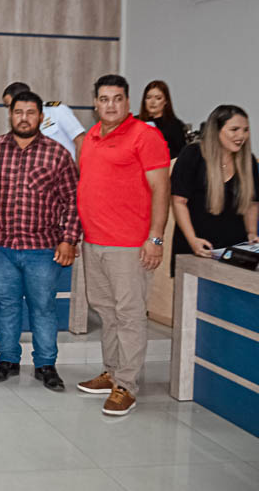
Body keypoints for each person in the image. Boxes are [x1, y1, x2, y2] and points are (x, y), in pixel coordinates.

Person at [76, 74, 170, 416]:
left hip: (130, 245)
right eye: (103, 99)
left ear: (128, 102)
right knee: (107, 311)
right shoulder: (92, 135)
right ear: (95, 103)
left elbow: (162, 190)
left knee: (129, 315)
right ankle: (113, 371)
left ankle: (126, 385)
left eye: (117, 98)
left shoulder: (146, 136)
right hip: (95, 241)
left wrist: (155, 238)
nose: (110, 105)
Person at [0, 91, 81, 391]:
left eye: (30, 112)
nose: (24, 118)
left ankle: (46, 365)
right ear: (10, 115)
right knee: (6, 305)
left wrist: (69, 240)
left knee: (43, 307)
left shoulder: (57, 153)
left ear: (41, 117)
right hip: (1, 246)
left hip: (43, 248)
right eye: (18, 112)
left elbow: (73, 200)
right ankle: (8, 360)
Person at [171, 105, 259, 265]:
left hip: (234, 251)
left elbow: (252, 203)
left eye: (246, 130)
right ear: (216, 130)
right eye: (234, 129)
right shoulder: (193, 154)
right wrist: (192, 240)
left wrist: (252, 233)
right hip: (196, 248)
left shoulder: (249, 161)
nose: (242, 135)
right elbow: (179, 202)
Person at [2, 82, 85, 161]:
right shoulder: (19, 123)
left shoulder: (57, 110)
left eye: (10, 105)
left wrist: (79, 171)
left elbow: (81, 140)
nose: (10, 110)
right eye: (7, 106)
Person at [137, 79, 187, 159]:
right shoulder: (134, 122)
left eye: (158, 98)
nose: (152, 102)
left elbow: (181, 155)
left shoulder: (174, 125)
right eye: (148, 97)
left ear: (165, 101)